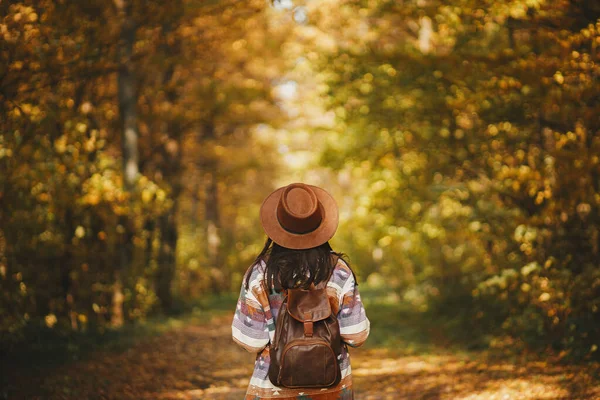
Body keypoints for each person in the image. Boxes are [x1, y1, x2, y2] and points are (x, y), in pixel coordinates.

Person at [232, 182, 370, 399]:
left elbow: (251, 340)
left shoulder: (260, 273)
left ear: (277, 226)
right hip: (332, 390)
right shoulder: (338, 271)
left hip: (272, 389)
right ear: (320, 226)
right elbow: (356, 334)